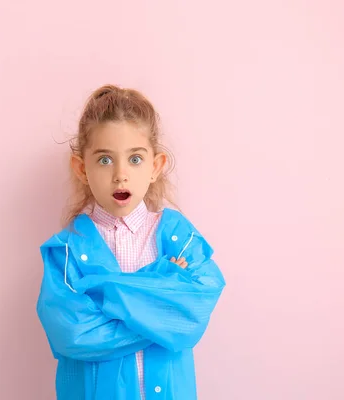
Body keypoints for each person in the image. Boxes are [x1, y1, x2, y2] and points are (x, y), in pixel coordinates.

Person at [36, 84, 226, 400]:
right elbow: (74, 333)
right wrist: (162, 285)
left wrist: (102, 292)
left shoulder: (179, 238)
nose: (121, 175)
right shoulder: (66, 251)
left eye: (135, 159)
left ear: (155, 166)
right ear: (82, 169)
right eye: (105, 160)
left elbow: (190, 319)